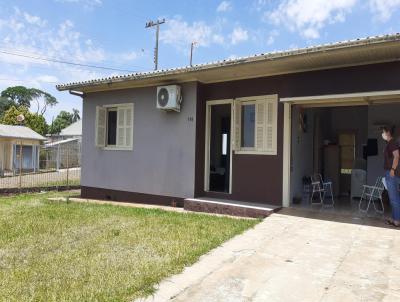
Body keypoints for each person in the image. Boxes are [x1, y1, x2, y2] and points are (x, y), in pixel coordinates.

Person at [382, 125, 400, 227]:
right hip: (390, 173)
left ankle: (397, 220)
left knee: (394, 198)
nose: (382, 134)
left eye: (383, 132)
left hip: (392, 173)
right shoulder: (390, 143)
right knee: (393, 198)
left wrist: (392, 170)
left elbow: (396, 156)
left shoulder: (392, 143)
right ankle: (394, 218)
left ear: (388, 133)